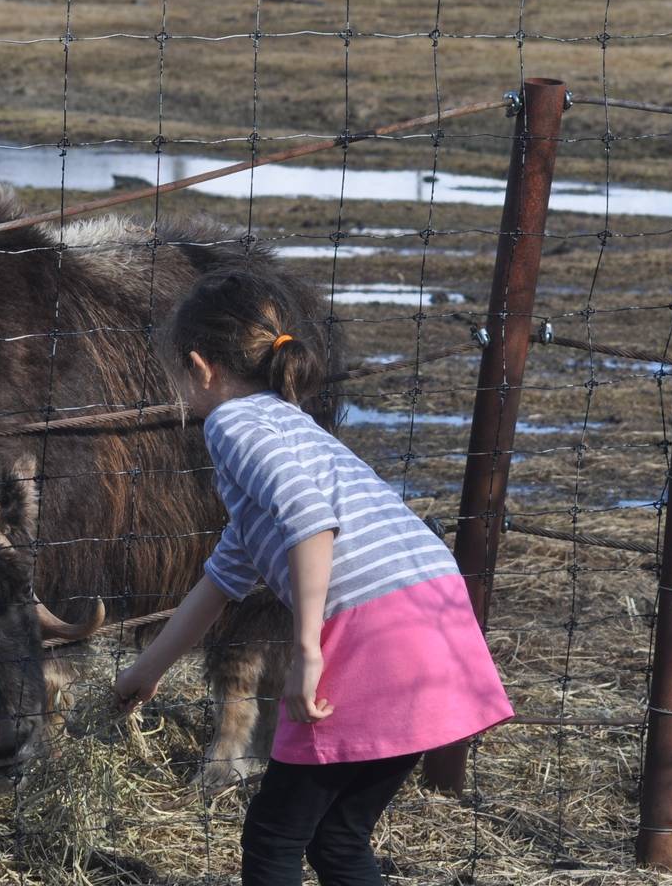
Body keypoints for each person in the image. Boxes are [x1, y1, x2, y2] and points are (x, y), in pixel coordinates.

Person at [112, 269, 513, 886]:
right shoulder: (288, 425)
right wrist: (146, 672)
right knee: (338, 838)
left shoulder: (233, 424)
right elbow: (219, 582)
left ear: (199, 367)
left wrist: (305, 652)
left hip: (371, 631)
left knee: (273, 839)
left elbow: (309, 521)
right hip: (434, 612)